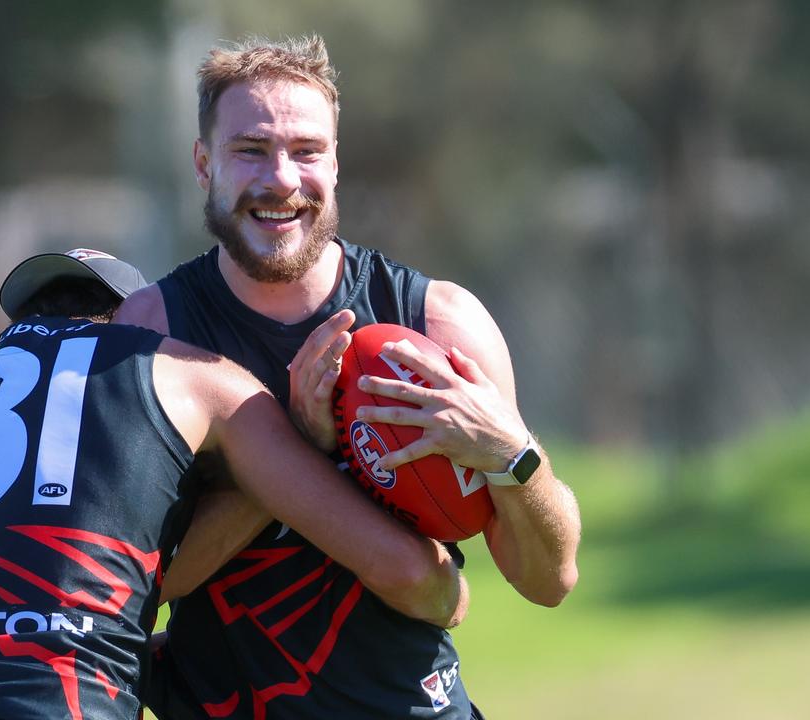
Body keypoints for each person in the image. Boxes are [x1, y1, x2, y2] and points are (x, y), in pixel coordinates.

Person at [114, 36, 582, 719]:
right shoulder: (151, 333)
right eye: (251, 150)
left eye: (306, 151)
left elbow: (549, 581)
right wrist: (289, 450)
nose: (281, 179)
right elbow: (135, 586)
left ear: (335, 163)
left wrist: (513, 456)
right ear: (203, 162)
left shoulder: (437, 324)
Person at [0, 248, 465, 720]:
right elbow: (410, 574)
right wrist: (449, 591)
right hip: (67, 700)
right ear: (132, 317)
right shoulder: (185, 374)